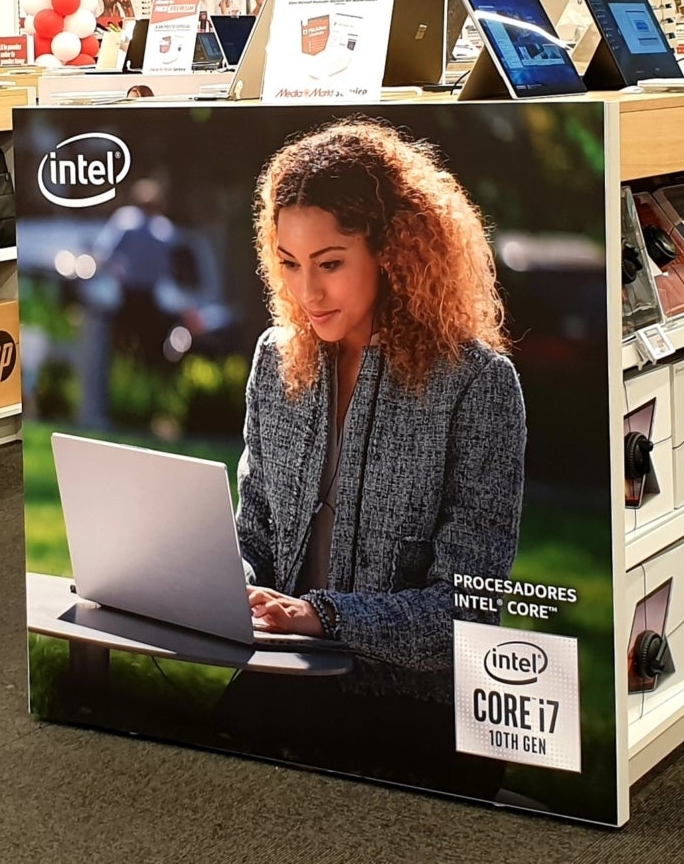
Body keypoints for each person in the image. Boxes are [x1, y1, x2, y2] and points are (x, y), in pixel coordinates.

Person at [222, 121, 524, 784]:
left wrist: (323, 614)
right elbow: (256, 533)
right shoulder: (276, 363)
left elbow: (466, 608)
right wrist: (237, 587)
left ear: (392, 250)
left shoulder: (477, 383)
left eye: (330, 262)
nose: (308, 292)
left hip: (416, 710)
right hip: (289, 677)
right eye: (290, 262)